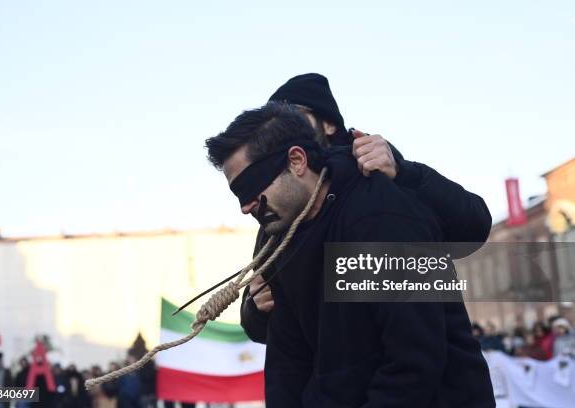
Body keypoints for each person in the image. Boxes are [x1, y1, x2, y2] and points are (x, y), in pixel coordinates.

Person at [205, 102, 495, 407]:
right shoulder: (281, 238)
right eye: (238, 194)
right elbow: (287, 362)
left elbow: (414, 358)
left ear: (297, 160)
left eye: (252, 186)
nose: (245, 206)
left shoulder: (380, 216)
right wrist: (254, 307)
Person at [240, 73, 492, 343]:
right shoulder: (283, 210)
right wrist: (255, 309)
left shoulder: (380, 180)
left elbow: (473, 227)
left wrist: (403, 172)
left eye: (293, 117)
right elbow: (275, 330)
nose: (282, 132)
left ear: (328, 124)